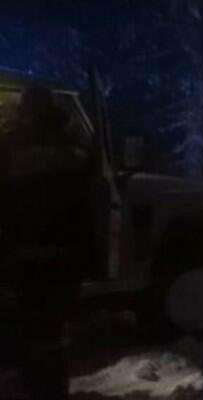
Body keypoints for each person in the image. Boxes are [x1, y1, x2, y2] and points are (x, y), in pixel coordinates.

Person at [0, 85, 94, 399]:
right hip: (60, 266)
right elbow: (86, 212)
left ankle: (32, 385)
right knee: (52, 339)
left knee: (26, 337)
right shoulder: (74, 151)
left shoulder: (9, 149)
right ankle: (50, 389)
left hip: (22, 264)